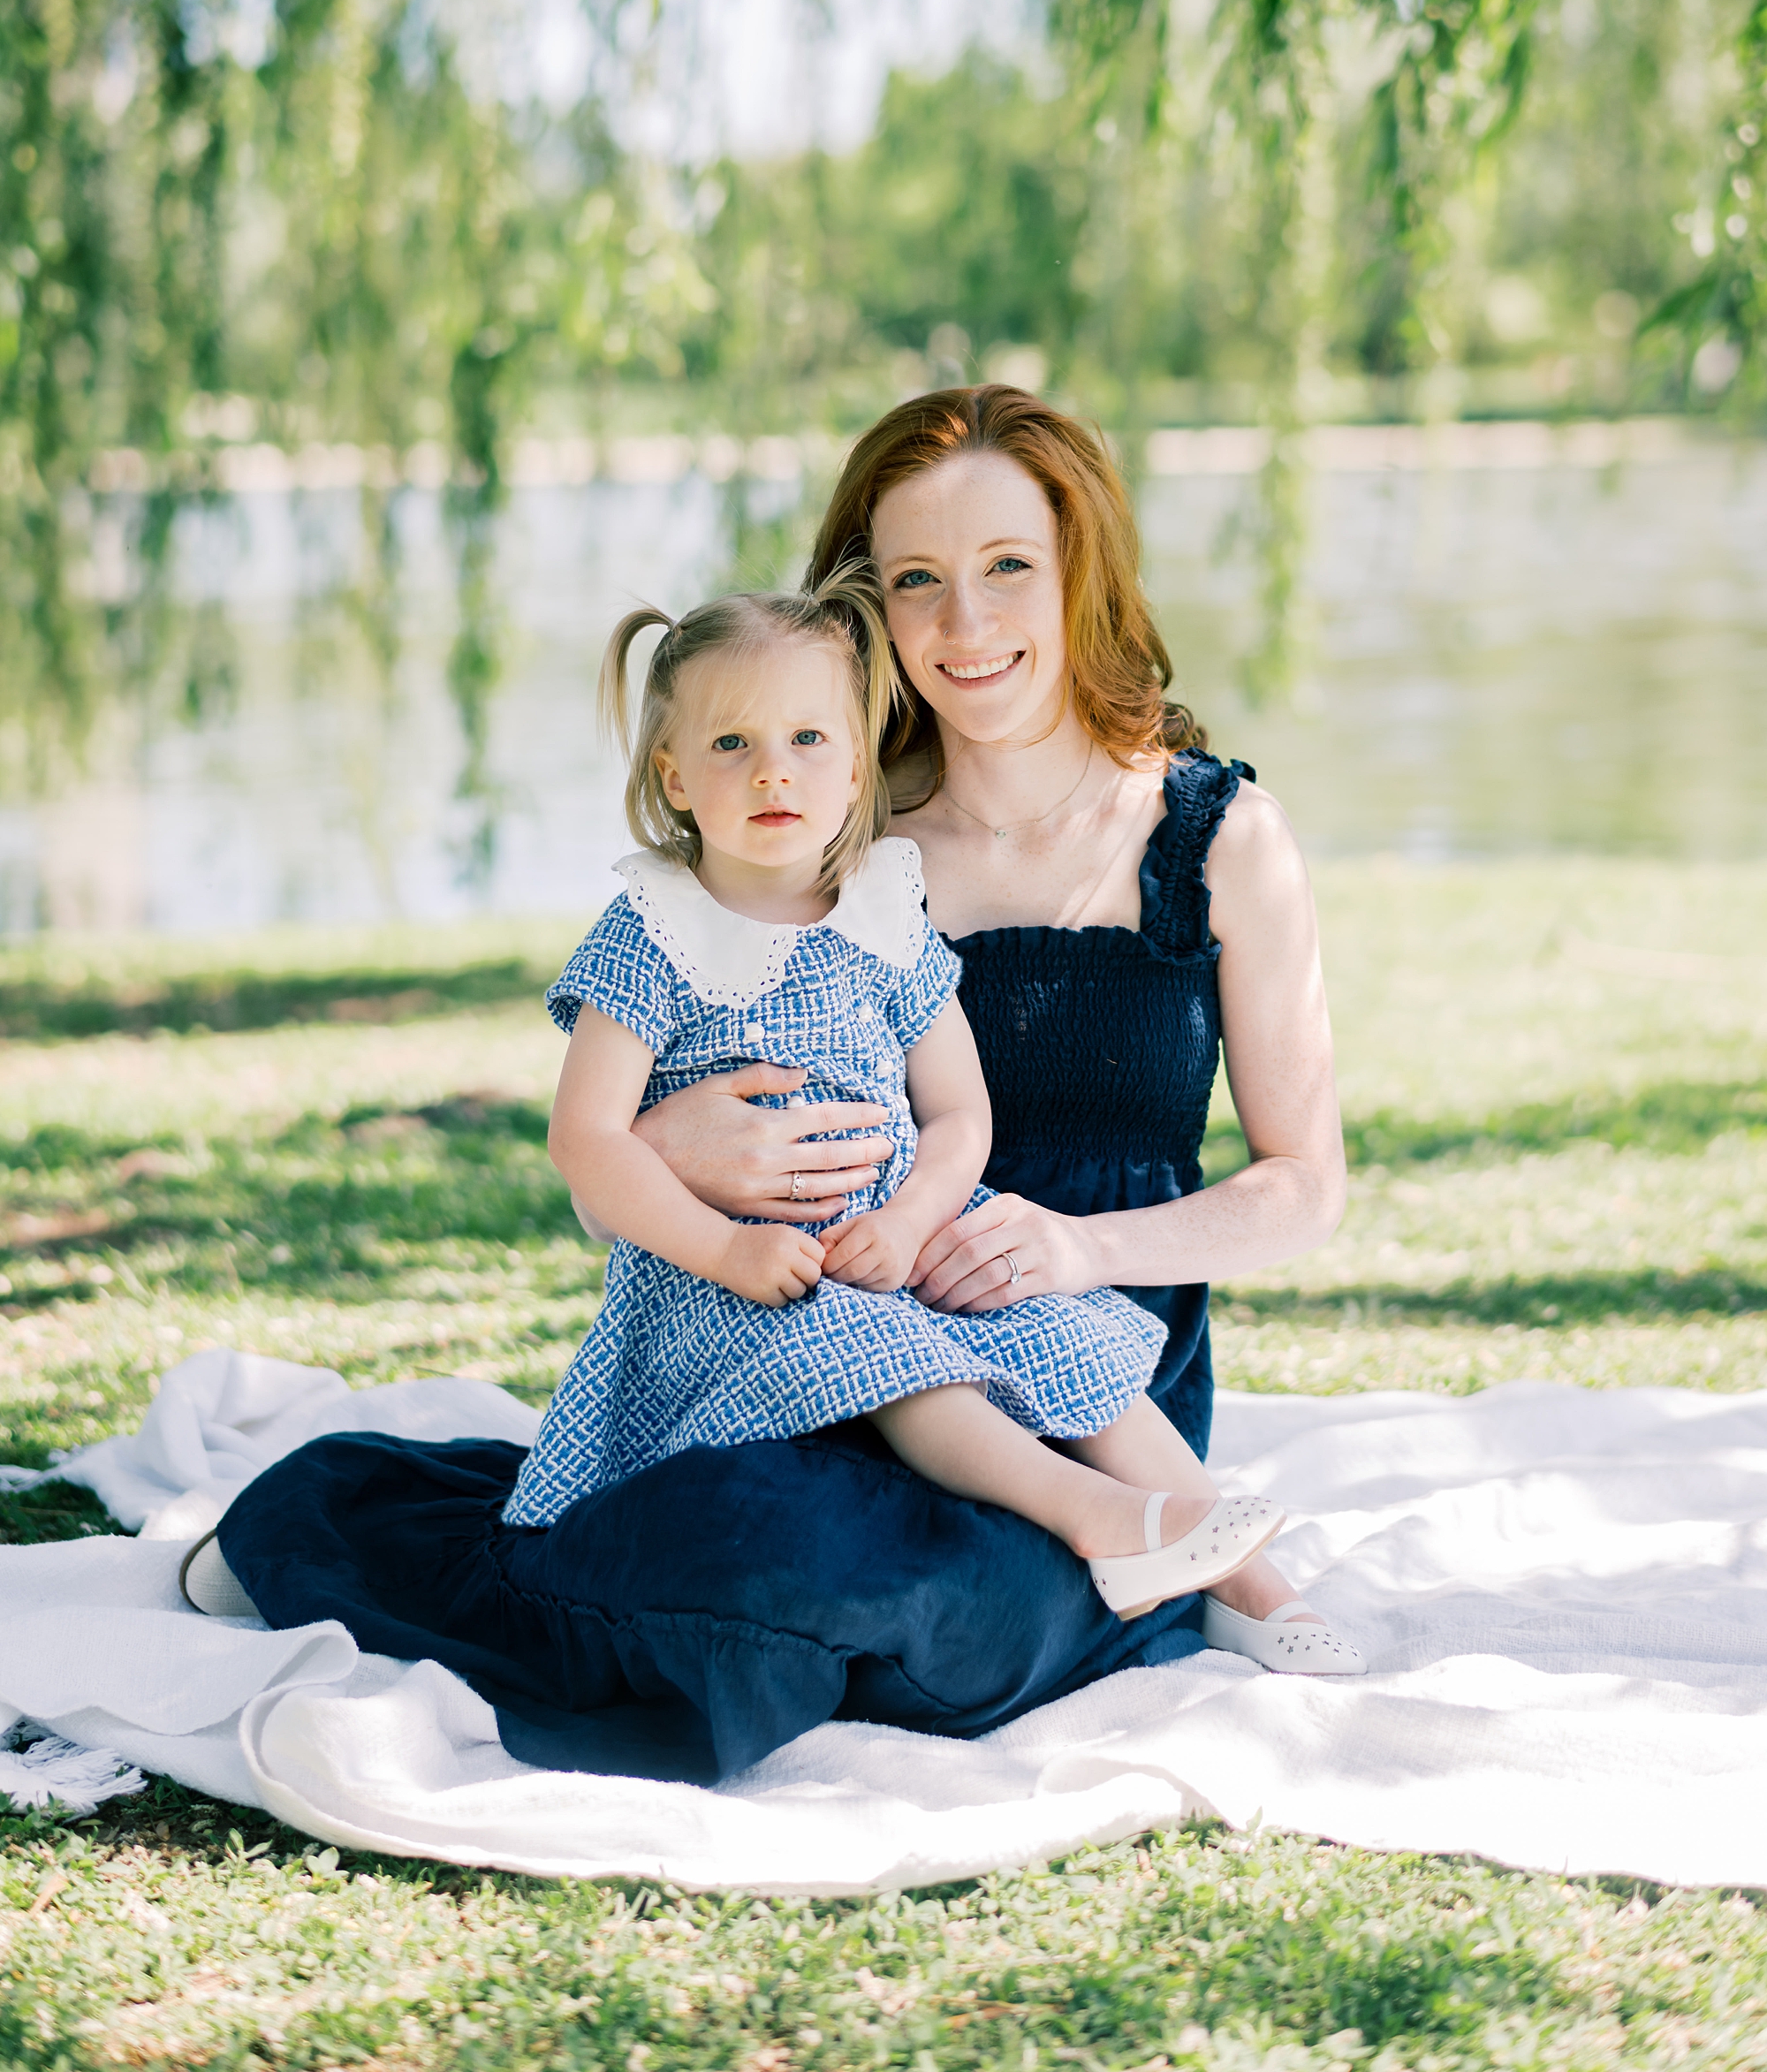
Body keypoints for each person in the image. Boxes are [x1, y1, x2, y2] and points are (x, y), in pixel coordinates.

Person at [207, 385, 1361, 1786]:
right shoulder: (816, 838)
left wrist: (1076, 1245)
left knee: (965, 1609)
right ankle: (364, 1526)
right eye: (919, 582)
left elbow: (1306, 1188)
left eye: (1010, 569)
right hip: (824, 1317)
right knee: (756, 1538)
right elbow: (620, 1161)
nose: (967, 624)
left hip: (1087, 1356)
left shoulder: (1215, 836)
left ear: (1083, 573)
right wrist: (676, 1149)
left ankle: (1161, 1557)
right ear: (869, 614)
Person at [508, 575, 1284, 1617]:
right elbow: (587, 1142)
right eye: (730, 744)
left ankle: (1258, 1588)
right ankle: (1095, 1516)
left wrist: (913, 1216)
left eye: (808, 740)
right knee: (890, 1352)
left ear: (856, 763)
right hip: (740, 1274)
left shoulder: (883, 914)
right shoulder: (652, 931)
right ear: (674, 773)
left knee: (1058, 1330)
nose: (772, 769)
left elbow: (961, 1113)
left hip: (895, 1234)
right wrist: (725, 1247)